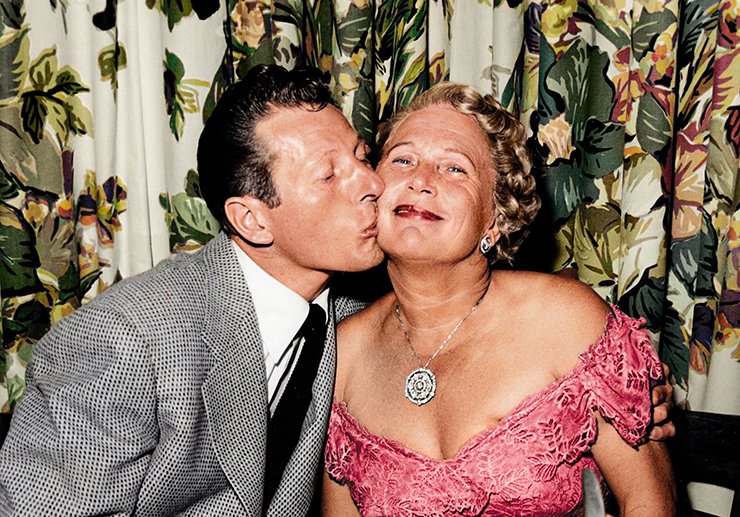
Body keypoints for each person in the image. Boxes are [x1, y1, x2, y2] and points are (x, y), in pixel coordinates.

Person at [0, 65, 384, 516]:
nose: (374, 184)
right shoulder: (126, 339)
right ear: (252, 220)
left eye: (362, 157)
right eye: (328, 176)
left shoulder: (363, 312)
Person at [322, 83, 677, 516]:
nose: (420, 180)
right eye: (402, 160)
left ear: (496, 217)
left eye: (454, 168)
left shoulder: (567, 321)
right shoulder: (341, 356)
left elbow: (649, 502)